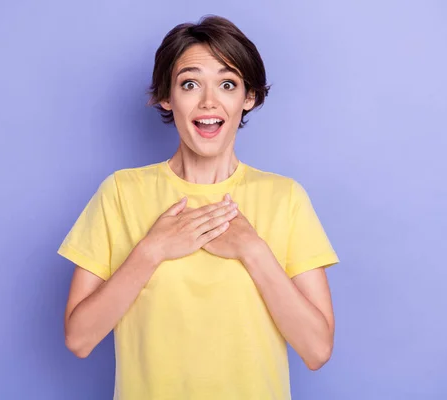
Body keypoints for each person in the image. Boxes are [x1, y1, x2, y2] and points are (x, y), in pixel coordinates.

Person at [57, 14, 339, 400]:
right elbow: (79, 338)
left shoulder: (285, 198)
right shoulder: (121, 193)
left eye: (227, 84)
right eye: (190, 84)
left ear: (249, 97)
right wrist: (152, 250)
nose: (209, 102)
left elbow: (317, 350)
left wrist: (253, 250)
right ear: (167, 97)